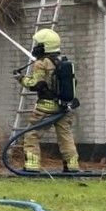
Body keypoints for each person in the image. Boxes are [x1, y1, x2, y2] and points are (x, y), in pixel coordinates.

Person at [19, 27, 80, 173]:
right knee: (65, 137)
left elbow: (35, 84)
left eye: (38, 44)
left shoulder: (41, 63)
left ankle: (32, 166)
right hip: (64, 107)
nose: (35, 47)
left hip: (45, 107)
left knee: (31, 135)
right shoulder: (63, 61)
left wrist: (20, 79)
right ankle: (72, 166)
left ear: (44, 46)